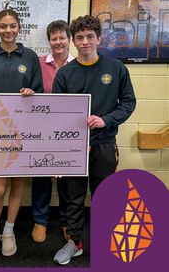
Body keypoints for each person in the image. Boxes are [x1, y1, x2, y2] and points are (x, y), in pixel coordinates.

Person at [52, 15, 136, 265]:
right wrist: (71, 142)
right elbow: (57, 114)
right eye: (79, 37)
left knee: (105, 195)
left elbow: (129, 102)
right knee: (73, 197)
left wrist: (106, 120)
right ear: (73, 41)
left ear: (99, 38)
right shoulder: (65, 74)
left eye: (90, 36)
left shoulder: (116, 68)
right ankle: (74, 243)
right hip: (74, 147)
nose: (85, 41)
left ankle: (107, 241)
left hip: (104, 144)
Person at [0, 9, 43, 257]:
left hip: (23, 130)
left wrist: (31, 93)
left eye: (12, 26)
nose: (8, 30)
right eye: (3, 26)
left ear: (19, 28)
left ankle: (9, 229)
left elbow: (38, 92)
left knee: (17, 183)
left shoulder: (31, 57)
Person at [31, 20, 74, 244]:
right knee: (41, 177)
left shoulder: (78, 64)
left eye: (62, 37)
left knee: (67, 179)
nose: (58, 42)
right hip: (41, 129)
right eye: (54, 38)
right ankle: (40, 221)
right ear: (49, 41)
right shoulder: (38, 63)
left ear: (69, 39)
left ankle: (67, 221)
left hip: (68, 131)